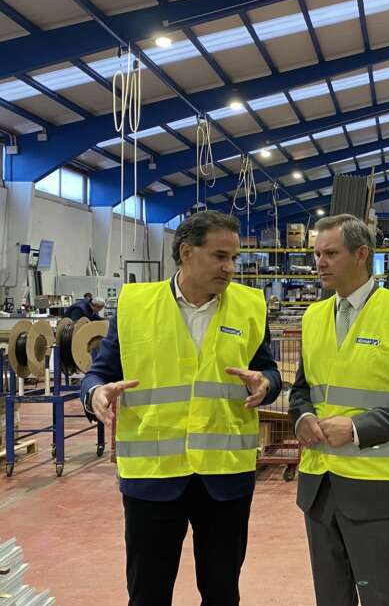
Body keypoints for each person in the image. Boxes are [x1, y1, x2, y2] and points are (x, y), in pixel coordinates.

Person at [79, 211, 282, 606]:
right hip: (152, 479)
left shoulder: (249, 306)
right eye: (220, 256)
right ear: (186, 252)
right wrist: (95, 394)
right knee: (148, 592)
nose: (230, 268)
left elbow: (268, 370)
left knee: (222, 592)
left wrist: (267, 385)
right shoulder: (136, 305)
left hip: (225, 478)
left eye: (234, 258)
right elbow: (99, 373)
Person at [289, 214, 389, 606]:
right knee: (331, 598)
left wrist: (357, 429)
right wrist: (302, 416)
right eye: (317, 254)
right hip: (319, 490)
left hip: (378, 493)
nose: (319, 262)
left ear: (361, 254)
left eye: (330, 253)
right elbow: (303, 389)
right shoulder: (313, 316)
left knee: (386, 598)